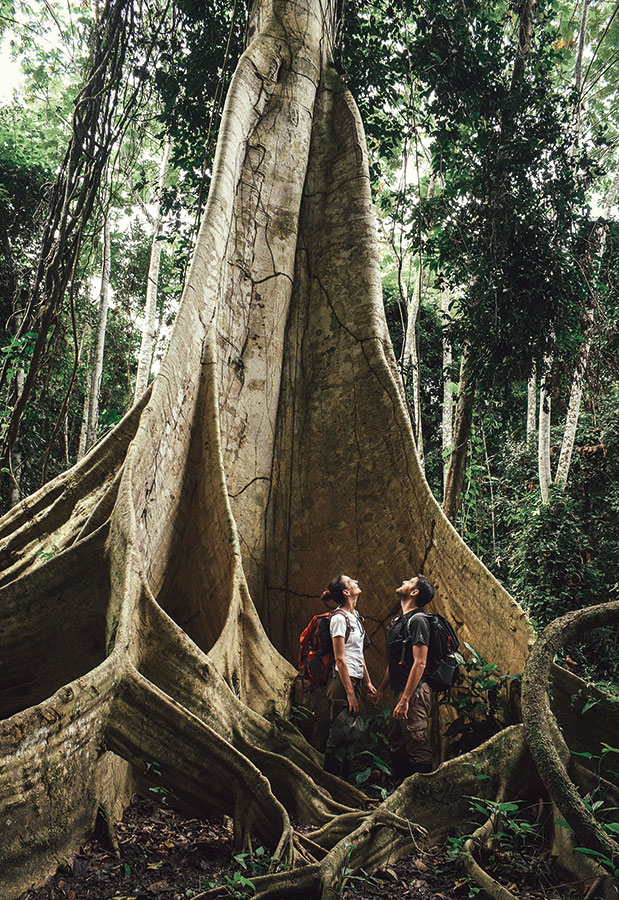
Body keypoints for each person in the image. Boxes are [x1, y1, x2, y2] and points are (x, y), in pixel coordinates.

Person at [374, 574, 436, 780]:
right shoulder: (399, 622)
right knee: (397, 743)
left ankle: (423, 794)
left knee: (418, 744)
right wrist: (381, 690)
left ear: (414, 592)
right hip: (401, 692)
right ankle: (401, 791)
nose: (403, 582)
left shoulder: (418, 620)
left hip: (414, 693)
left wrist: (406, 699)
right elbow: (394, 662)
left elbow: (420, 662)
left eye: (409, 582)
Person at [322, 574, 376, 776]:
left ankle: (344, 779)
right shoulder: (338, 619)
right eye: (351, 581)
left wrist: (367, 682)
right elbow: (340, 659)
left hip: (355, 679)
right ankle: (330, 781)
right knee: (337, 734)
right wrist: (350, 693)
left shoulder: (356, 617)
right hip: (342, 681)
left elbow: (358, 654)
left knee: (350, 732)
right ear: (346, 592)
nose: (356, 581)